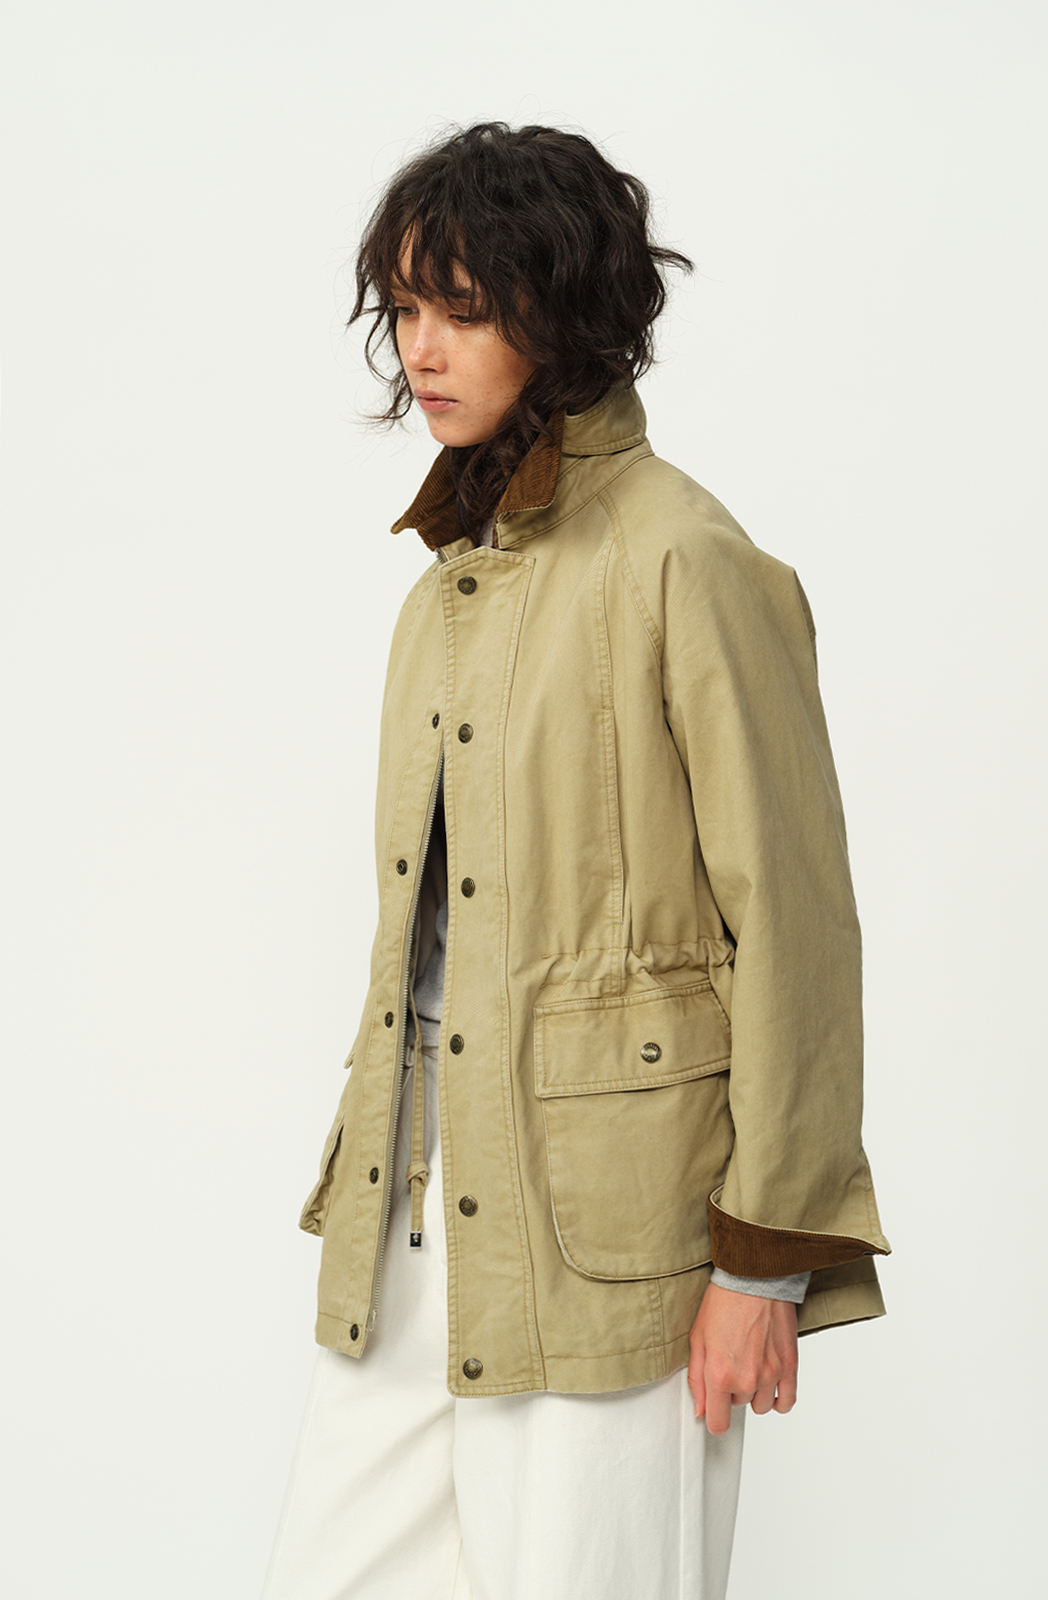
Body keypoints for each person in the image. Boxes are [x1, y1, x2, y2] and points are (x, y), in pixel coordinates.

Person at [261, 121, 890, 1600]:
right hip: (419, 1202)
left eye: (462, 308)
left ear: (563, 309)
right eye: (404, 308)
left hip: (619, 1227)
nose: (420, 348)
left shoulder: (685, 557)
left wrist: (760, 1264)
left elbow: (794, 922)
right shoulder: (447, 590)